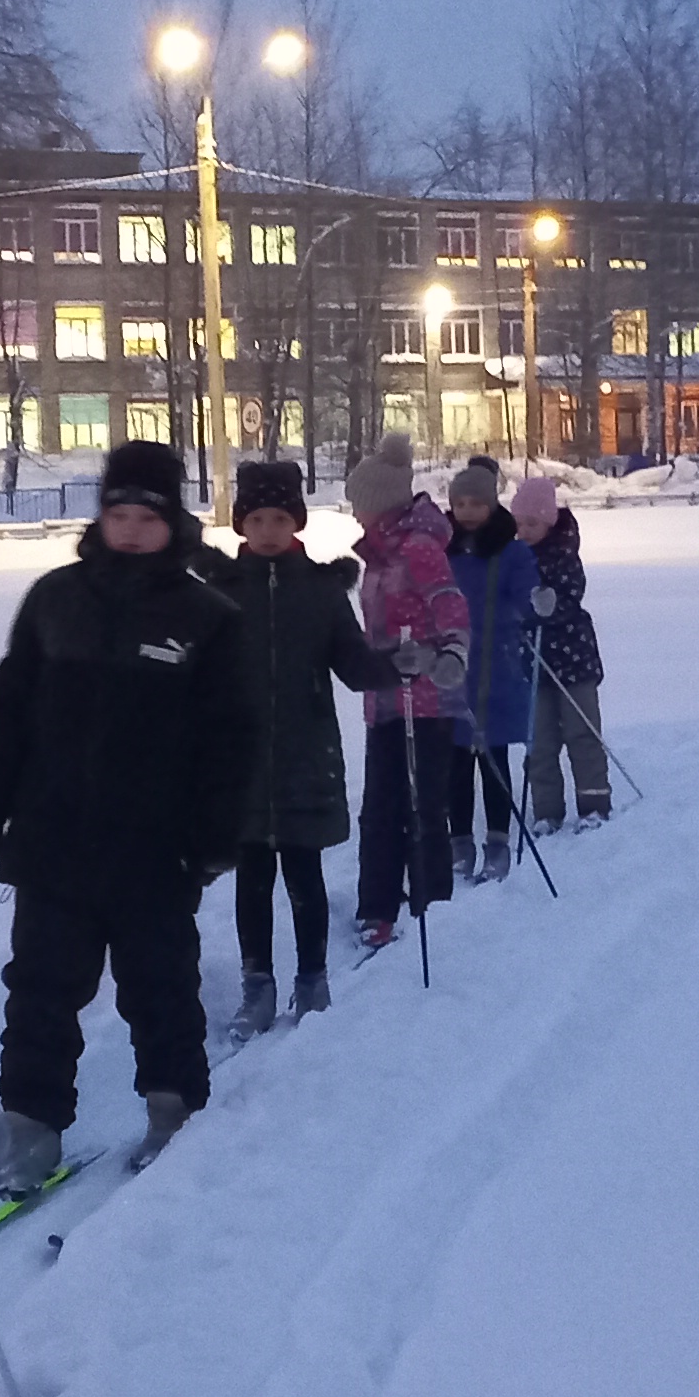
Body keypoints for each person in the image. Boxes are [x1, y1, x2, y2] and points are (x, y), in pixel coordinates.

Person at [0, 439, 256, 1184]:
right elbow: (8, 707)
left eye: (145, 515)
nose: (129, 528)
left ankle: (173, 1115)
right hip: (52, 843)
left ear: (173, 520)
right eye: (117, 512)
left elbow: (232, 740)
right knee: (39, 995)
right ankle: (31, 1132)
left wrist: (213, 837)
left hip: (154, 853)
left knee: (161, 990)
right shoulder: (54, 600)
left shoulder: (207, 618)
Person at [208, 457, 391, 1031]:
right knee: (252, 879)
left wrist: (398, 665)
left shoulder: (318, 590)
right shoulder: (218, 590)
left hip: (304, 754)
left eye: (279, 518)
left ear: (297, 523)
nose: (267, 530)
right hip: (237, 760)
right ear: (242, 524)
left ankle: (313, 978)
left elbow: (354, 665)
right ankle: (256, 983)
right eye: (257, 518)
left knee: (304, 875)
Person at [343, 431, 471, 952]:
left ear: (380, 501)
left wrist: (448, 654)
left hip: (426, 701)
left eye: (358, 503)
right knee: (379, 807)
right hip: (385, 700)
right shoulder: (377, 554)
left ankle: (430, 900)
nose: (354, 513)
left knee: (421, 805)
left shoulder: (418, 549)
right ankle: (377, 908)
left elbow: (448, 603)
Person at [444, 455, 538, 881]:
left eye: (475, 504)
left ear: (491, 505)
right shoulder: (444, 547)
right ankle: (458, 841)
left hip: (496, 664)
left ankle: (497, 840)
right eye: (460, 504)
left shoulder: (509, 548)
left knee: (493, 757)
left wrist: (534, 603)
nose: (467, 512)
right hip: (452, 666)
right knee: (456, 762)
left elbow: (524, 589)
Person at [518, 468, 609, 831]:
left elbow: (571, 595)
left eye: (530, 524)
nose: (522, 532)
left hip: (574, 661)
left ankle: (594, 804)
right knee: (539, 740)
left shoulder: (564, 553)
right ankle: (546, 811)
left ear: (548, 522)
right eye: (518, 524)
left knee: (581, 733)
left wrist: (550, 603)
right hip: (535, 663)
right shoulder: (516, 556)